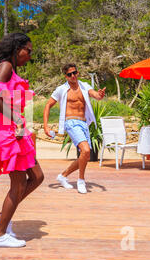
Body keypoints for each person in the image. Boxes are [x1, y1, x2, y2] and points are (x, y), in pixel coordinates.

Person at [0, 33, 44, 248]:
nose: (29, 55)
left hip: (13, 128)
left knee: (37, 176)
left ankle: (2, 215)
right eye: (27, 51)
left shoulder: (8, 68)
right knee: (19, 182)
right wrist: (17, 121)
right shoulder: (5, 66)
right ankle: (0, 235)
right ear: (16, 48)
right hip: (7, 131)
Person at [43, 63, 106, 194]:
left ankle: (63, 176)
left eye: (74, 73)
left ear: (77, 73)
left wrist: (100, 95)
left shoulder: (84, 86)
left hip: (83, 123)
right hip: (70, 122)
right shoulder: (61, 89)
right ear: (65, 76)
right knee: (86, 150)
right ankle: (81, 180)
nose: (73, 76)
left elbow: (95, 95)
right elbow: (48, 105)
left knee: (86, 155)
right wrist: (45, 126)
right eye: (69, 74)